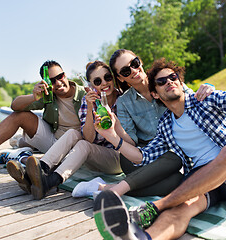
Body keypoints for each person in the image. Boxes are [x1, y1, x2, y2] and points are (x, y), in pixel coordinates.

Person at [93, 34, 226, 240]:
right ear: (155, 94)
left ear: (181, 82)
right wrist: (110, 135)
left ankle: (155, 206)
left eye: (173, 78)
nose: (169, 82)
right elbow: (141, 157)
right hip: (204, 180)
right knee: (178, 211)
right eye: (162, 82)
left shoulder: (206, 100)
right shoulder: (166, 125)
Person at [72, 49, 215, 198]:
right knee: (168, 165)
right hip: (144, 155)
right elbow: (131, 142)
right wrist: (116, 126)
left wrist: (209, 88)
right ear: (120, 78)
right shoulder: (124, 101)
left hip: (174, 154)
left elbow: (196, 101)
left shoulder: (165, 82)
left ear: (140, 61)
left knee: (176, 178)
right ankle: (114, 187)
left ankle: (105, 187)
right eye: (126, 71)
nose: (134, 70)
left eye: (134, 63)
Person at [18, 60, 130, 200]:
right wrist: (90, 108)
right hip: (96, 156)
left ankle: (38, 179)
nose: (104, 83)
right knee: (73, 133)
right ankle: (41, 171)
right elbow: (89, 138)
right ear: (91, 85)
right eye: (97, 81)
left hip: (118, 157)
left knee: (83, 145)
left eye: (107, 78)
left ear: (113, 78)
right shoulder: (87, 101)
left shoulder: (124, 100)